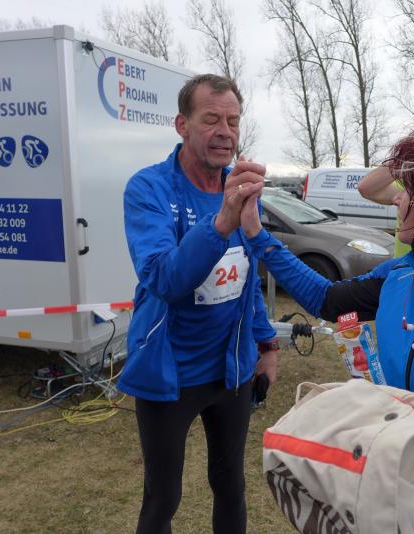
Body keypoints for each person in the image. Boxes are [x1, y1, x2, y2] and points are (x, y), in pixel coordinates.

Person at [241, 128, 414, 430]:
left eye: (408, 189)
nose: (396, 198)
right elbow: (325, 299)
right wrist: (257, 234)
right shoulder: (402, 274)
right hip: (391, 453)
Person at [119, 74, 279, 534]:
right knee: (163, 497)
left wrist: (267, 344)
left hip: (231, 370)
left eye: (233, 121)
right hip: (170, 372)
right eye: (211, 119)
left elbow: (247, 278)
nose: (225, 132)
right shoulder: (149, 189)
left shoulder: (239, 189)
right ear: (182, 125)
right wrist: (222, 221)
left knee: (230, 485)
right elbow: (163, 278)